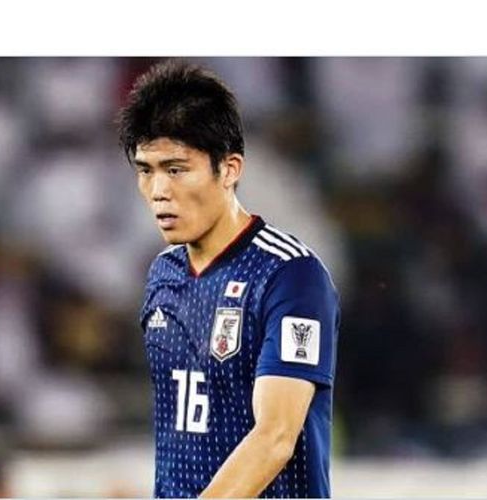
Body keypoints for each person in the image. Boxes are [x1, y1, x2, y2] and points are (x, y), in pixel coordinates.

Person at [118, 60, 340, 498]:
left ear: (230, 168)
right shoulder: (163, 275)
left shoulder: (290, 276)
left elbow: (276, 437)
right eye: (146, 170)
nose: (159, 190)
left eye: (176, 169)